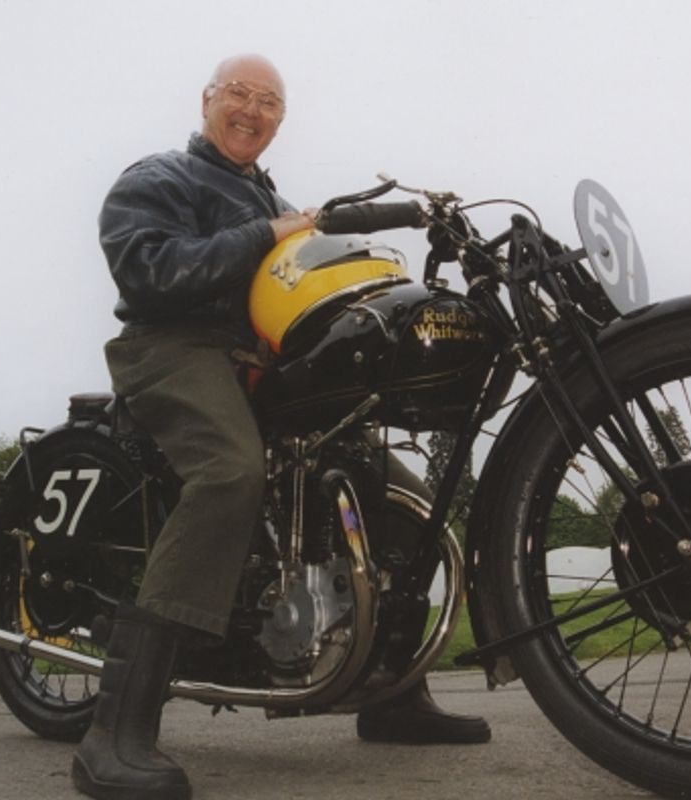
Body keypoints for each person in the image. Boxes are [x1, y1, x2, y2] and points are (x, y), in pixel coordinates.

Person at [72, 54, 489, 800]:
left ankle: (392, 691)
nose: (252, 109)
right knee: (231, 473)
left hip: (263, 370)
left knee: (403, 497)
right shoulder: (161, 177)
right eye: (239, 93)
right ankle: (114, 730)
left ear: (280, 120)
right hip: (176, 348)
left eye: (269, 101)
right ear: (206, 101)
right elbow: (148, 275)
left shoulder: (279, 201)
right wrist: (267, 232)